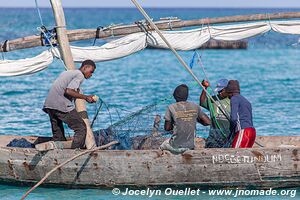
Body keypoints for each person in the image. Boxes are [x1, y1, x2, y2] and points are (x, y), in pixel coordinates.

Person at [43, 60, 97, 149]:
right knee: (81, 128)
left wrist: (77, 92)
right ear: (85, 67)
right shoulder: (79, 75)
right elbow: (68, 91)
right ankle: (74, 151)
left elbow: (64, 87)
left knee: (58, 134)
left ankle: (59, 152)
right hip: (61, 104)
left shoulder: (67, 73)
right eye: (91, 72)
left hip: (49, 105)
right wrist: (86, 97)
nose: (91, 75)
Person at [160, 84, 210, 154]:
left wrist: (175, 123)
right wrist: (193, 118)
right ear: (187, 96)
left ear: (174, 96)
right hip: (190, 146)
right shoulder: (195, 106)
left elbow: (167, 128)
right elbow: (207, 122)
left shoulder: (171, 107)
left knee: (162, 146)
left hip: (176, 146)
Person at [225, 80, 256, 148]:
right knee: (245, 155)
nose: (228, 97)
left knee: (235, 153)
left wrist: (231, 131)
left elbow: (233, 118)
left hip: (244, 131)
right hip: (252, 131)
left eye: (227, 94)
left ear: (230, 92)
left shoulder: (234, 99)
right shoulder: (246, 101)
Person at [200, 79, 231, 148]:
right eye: (218, 91)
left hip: (227, 136)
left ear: (228, 89)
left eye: (221, 90)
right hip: (214, 135)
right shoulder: (213, 99)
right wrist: (205, 88)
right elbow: (202, 102)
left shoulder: (232, 101)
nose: (219, 93)